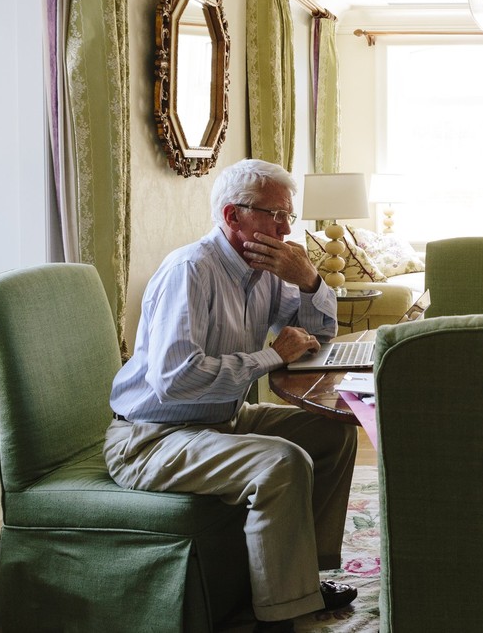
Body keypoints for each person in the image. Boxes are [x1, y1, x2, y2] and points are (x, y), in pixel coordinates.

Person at [104, 158, 359, 633]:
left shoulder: (264, 270)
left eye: (289, 214)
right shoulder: (190, 271)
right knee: (283, 461)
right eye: (273, 214)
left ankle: (301, 578)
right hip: (151, 438)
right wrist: (270, 357)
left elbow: (317, 336)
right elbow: (174, 380)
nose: (285, 227)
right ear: (232, 215)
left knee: (332, 432)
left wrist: (310, 282)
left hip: (220, 419)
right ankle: (285, 615)